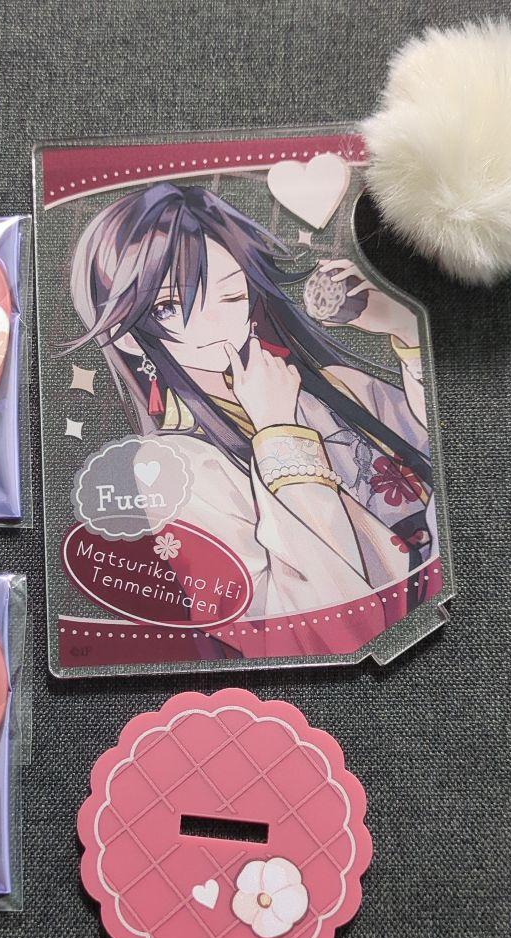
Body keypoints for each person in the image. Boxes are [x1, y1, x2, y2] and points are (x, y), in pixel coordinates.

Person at [65, 183, 436, 618]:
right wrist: (277, 434)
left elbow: (442, 456)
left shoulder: (329, 388)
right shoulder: (174, 467)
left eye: (231, 295)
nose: (216, 323)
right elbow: (301, 620)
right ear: (126, 336)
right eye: (170, 307)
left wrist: (406, 328)